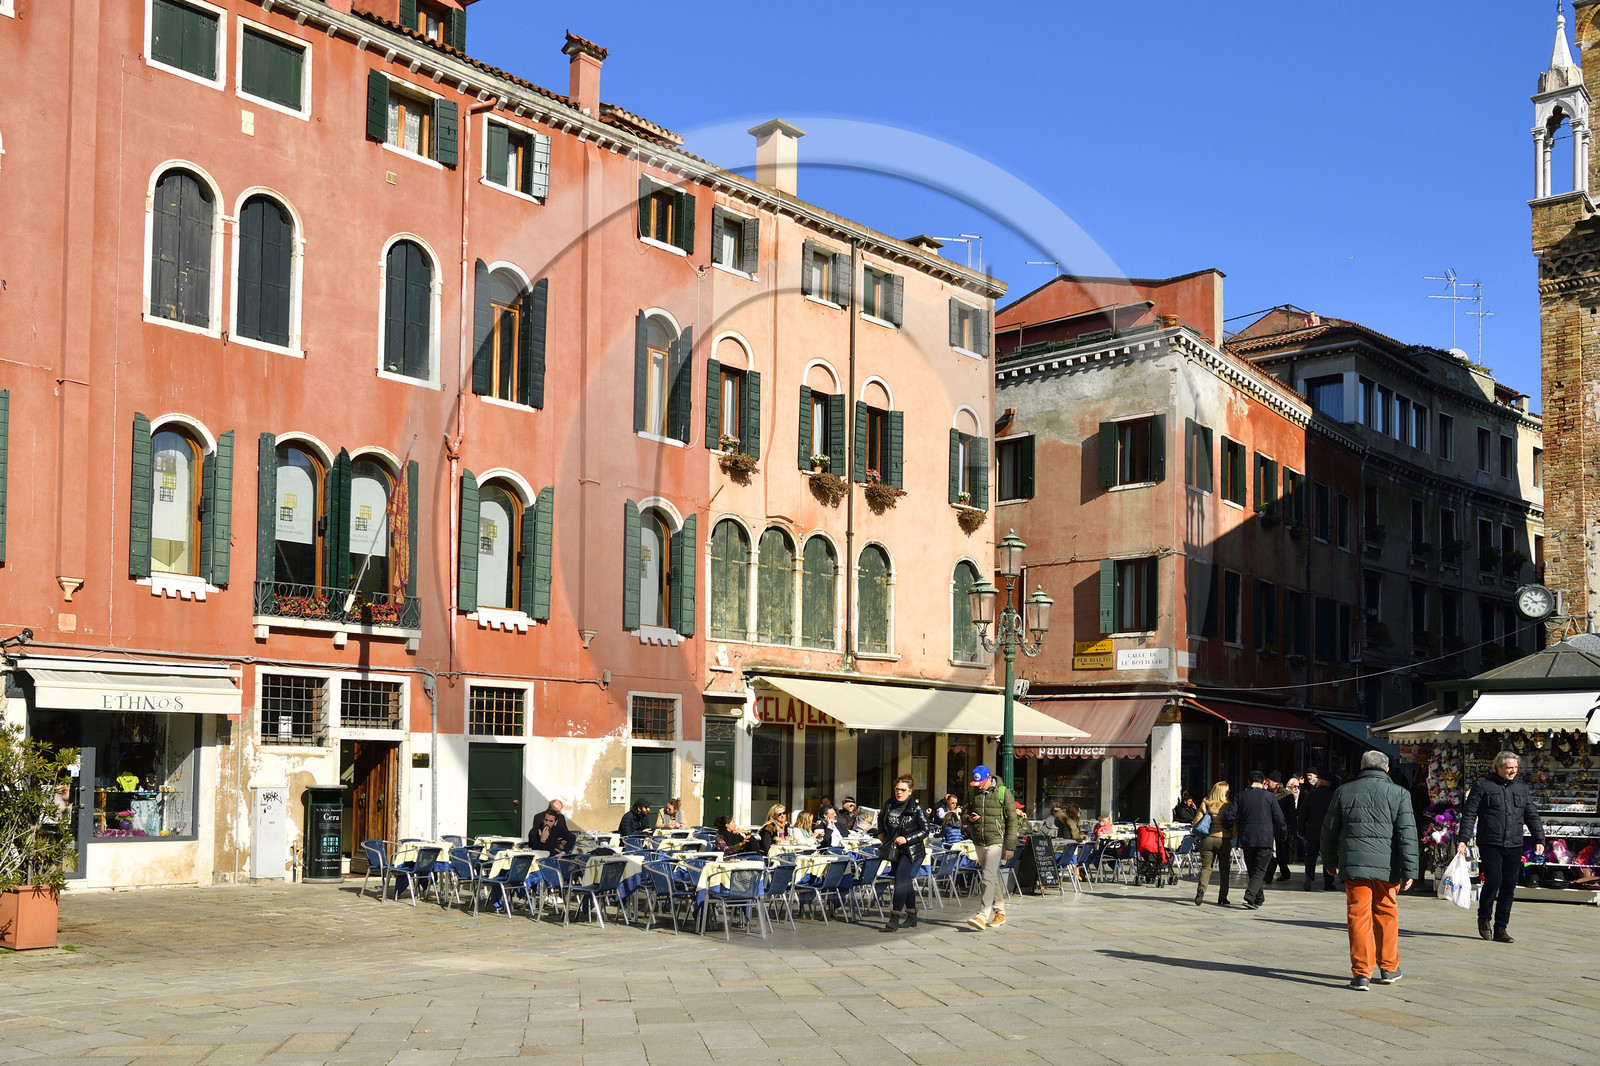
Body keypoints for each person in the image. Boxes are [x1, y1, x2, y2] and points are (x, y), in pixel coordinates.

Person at [1321, 750, 1420, 991]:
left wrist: (1330, 860)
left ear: (1362, 767)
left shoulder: (1344, 791)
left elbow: (1329, 830)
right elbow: (1407, 834)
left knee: (1358, 916)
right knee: (1386, 913)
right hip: (1388, 867)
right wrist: (1410, 869)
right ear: (1386, 769)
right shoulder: (1399, 793)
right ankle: (1388, 968)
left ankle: (1361, 974)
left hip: (1354, 864)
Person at [1457, 750, 1545, 943]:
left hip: (1514, 842)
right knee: (1494, 881)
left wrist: (1539, 839)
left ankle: (1501, 928)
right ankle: (1484, 917)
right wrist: (1463, 840)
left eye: (1515, 768)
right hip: (1491, 842)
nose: (1513, 771)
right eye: (1509, 768)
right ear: (1498, 767)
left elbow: (1531, 815)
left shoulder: (1521, 788)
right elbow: (1470, 814)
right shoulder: (1482, 786)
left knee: (1508, 887)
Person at [965, 764, 1019, 931]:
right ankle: (1000, 912)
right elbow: (963, 811)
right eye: (976, 784)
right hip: (979, 839)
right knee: (990, 877)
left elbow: (1012, 821)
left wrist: (1009, 846)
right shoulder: (973, 793)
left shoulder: (1003, 793)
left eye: (981, 783)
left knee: (987, 877)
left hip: (996, 840)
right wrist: (969, 818)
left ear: (989, 779)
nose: (979, 787)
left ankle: (982, 915)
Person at [878, 773, 931, 931]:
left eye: (902, 790)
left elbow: (925, 830)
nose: (899, 792)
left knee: (900, 881)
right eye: (897, 789)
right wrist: (881, 832)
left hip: (911, 852)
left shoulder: (916, 808)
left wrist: (907, 838)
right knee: (905, 881)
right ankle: (912, 916)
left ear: (910, 791)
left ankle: (894, 917)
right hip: (894, 851)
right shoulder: (889, 804)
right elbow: (881, 818)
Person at [1235, 770, 1288, 910]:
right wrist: (1283, 833)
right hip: (1265, 838)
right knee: (1259, 869)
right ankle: (1250, 895)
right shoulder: (1269, 797)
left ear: (1248, 781)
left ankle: (1259, 898)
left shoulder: (1240, 796)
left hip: (1247, 838)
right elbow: (1279, 818)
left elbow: (1230, 815)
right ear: (1263, 782)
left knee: (1252, 868)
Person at [1193, 781, 1235, 906]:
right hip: (1223, 839)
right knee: (1224, 869)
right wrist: (1232, 836)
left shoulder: (1206, 803)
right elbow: (1234, 825)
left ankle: (1201, 890)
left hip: (1207, 839)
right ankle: (1223, 897)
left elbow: (1197, 821)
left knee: (1206, 867)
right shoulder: (1229, 805)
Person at [1298, 770, 1337, 890]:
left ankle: (1309, 877)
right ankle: (1328, 882)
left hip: (1312, 831)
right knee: (1328, 856)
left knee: (1310, 856)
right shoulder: (1334, 795)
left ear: (1319, 781)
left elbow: (1302, 814)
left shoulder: (1311, 795)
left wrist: (1301, 831)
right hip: (1329, 832)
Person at [1273, 776, 1301, 881]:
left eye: (1298, 787)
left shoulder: (1287, 796)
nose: (1296, 789)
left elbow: (1292, 815)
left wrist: (1292, 830)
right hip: (1271, 827)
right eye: (1294, 787)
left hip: (1282, 828)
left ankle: (1279, 873)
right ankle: (1277, 873)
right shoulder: (1270, 793)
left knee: (1280, 853)